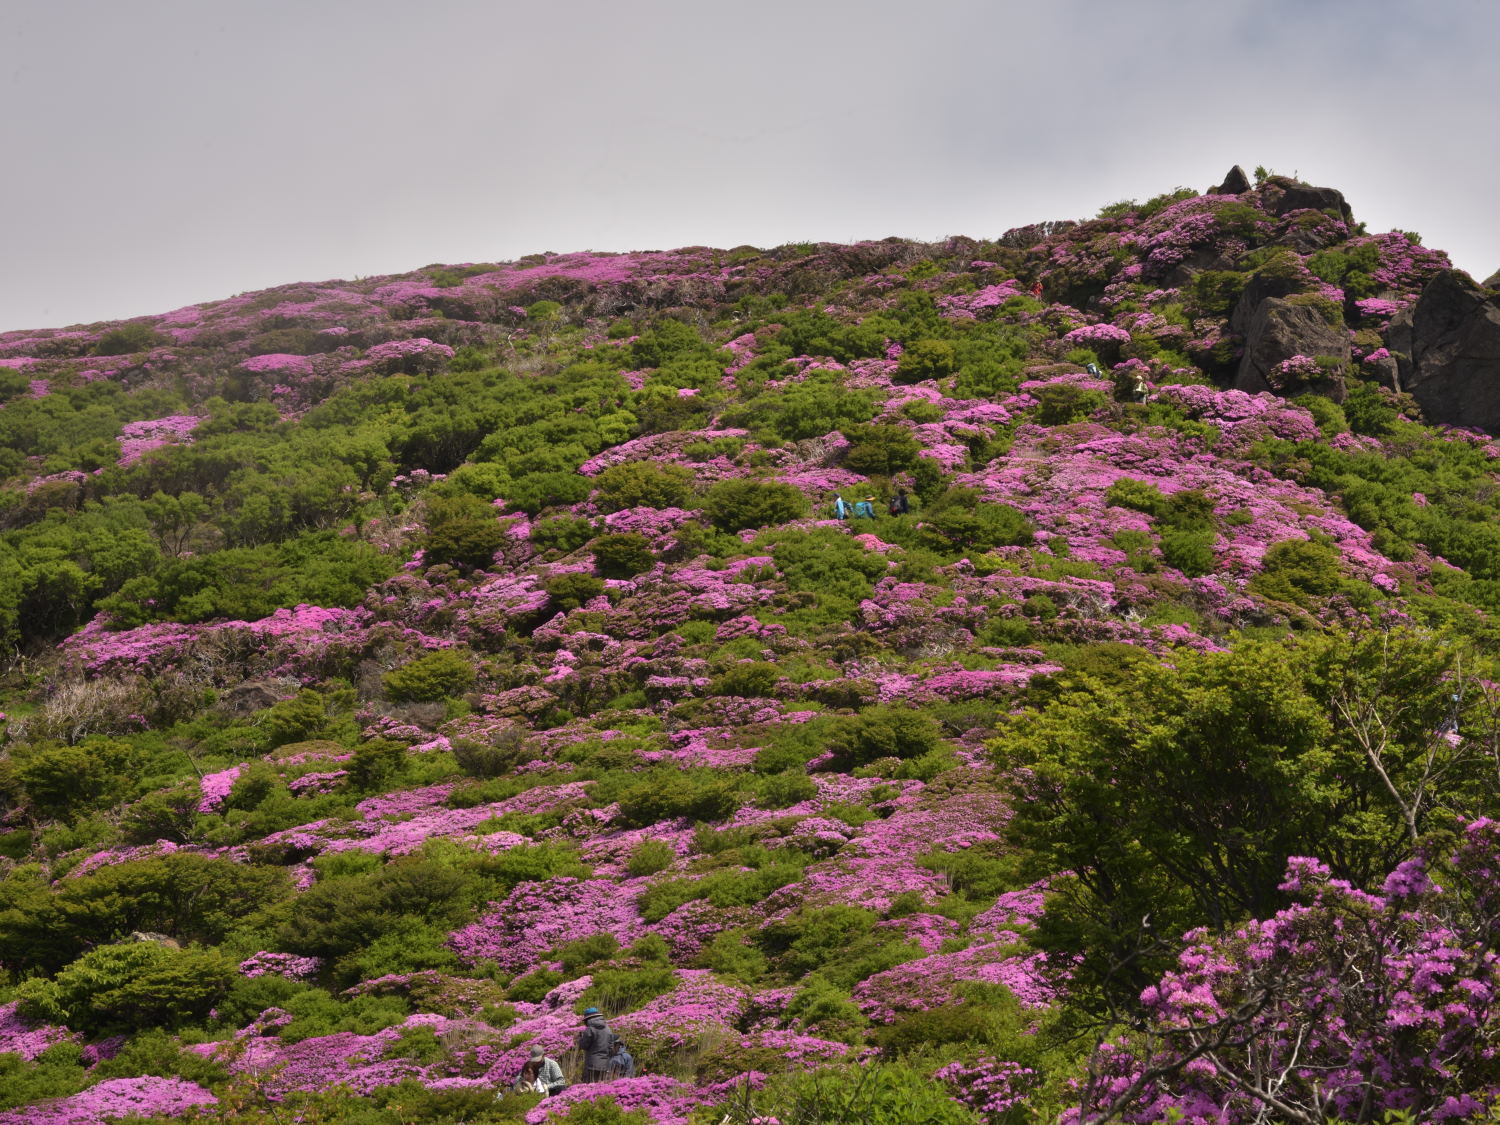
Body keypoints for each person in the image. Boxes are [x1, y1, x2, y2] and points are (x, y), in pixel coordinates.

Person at [577, 1007, 619, 1083]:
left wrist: (580, 1039)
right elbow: (610, 1045)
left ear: (588, 1019)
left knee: (590, 1086)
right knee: (600, 1086)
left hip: (592, 1064)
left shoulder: (590, 1029)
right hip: (605, 1063)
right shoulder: (607, 1028)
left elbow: (584, 1046)